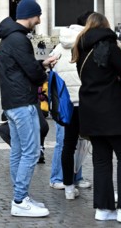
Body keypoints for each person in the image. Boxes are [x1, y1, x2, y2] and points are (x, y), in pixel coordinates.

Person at [74, 12, 121, 224]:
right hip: (111, 110)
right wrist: (114, 80)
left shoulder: (80, 48)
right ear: (105, 26)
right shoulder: (109, 47)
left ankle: (104, 207)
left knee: (101, 160)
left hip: (89, 110)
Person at [0, 0, 55, 218]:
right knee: (31, 152)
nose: (39, 20)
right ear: (30, 15)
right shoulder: (19, 39)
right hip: (22, 102)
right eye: (38, 15)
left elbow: (20, 67)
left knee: (19, 152)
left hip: (12, 102)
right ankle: (20, 200)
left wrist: (41, 63)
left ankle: (20, 196)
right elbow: (31, 72)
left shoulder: (9, 38)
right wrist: (43, 72)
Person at [47, 16, 90, 199]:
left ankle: (69, 182)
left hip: (63, 102)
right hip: (82, 100)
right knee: (82, 142)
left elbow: (52, 72)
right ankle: (62, 177)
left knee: (66, 143)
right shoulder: (84, 47)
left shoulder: (58, 48)